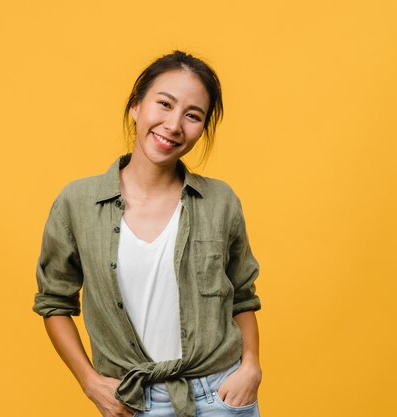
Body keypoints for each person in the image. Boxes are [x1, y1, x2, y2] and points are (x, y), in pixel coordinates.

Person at [33, 50, 262, 417]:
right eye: (164, 104)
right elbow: (54, 302)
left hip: (219, 395)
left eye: (192, 115)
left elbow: (243, 297)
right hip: (133, 402)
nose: (173, 125)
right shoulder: (78, 202)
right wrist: (90, 382)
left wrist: (250, 366)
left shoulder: (220, 201)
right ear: (136, 106)